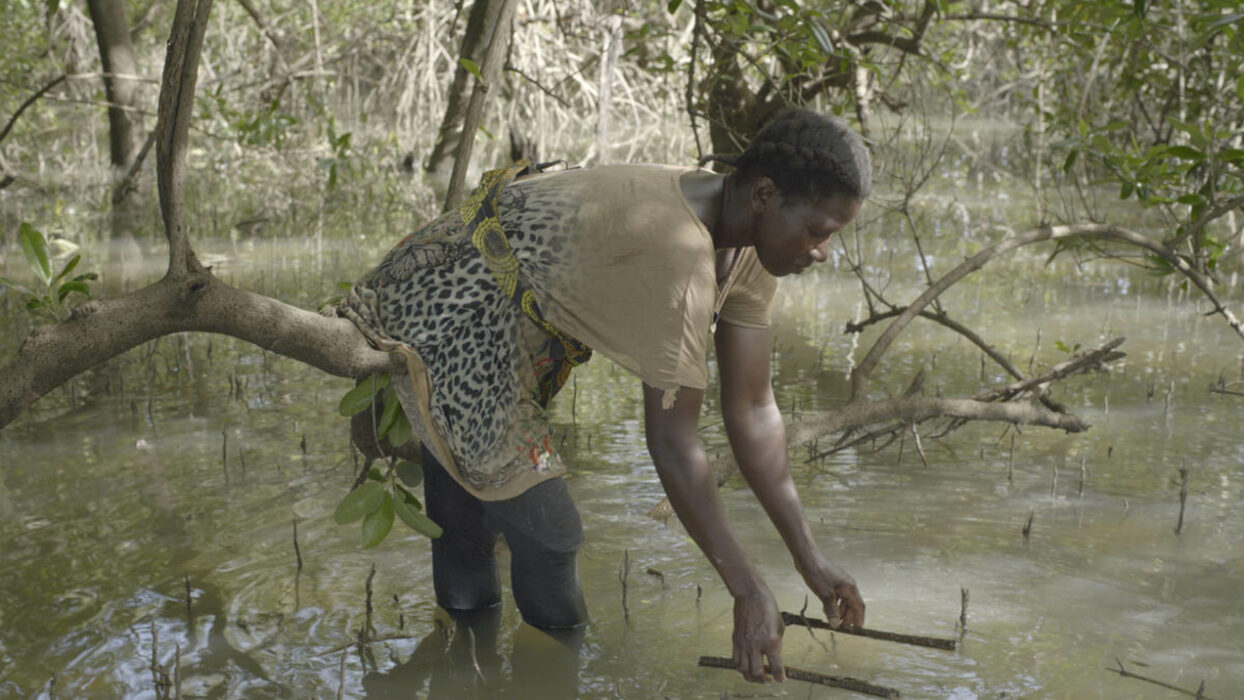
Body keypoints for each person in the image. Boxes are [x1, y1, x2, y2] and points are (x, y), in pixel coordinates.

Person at [341, 108, 870, 684]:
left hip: (511, 327)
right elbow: (672, 442)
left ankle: (461, 670)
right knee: (549, 536)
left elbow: (753, 410)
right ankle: (527, 674)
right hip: (445, 309)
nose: (823, 251)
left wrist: (809, 558)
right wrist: (747, 589)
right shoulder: (678, 252)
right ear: (765, 194)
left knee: (474, 519)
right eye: (817, 231)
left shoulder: (749, 244)